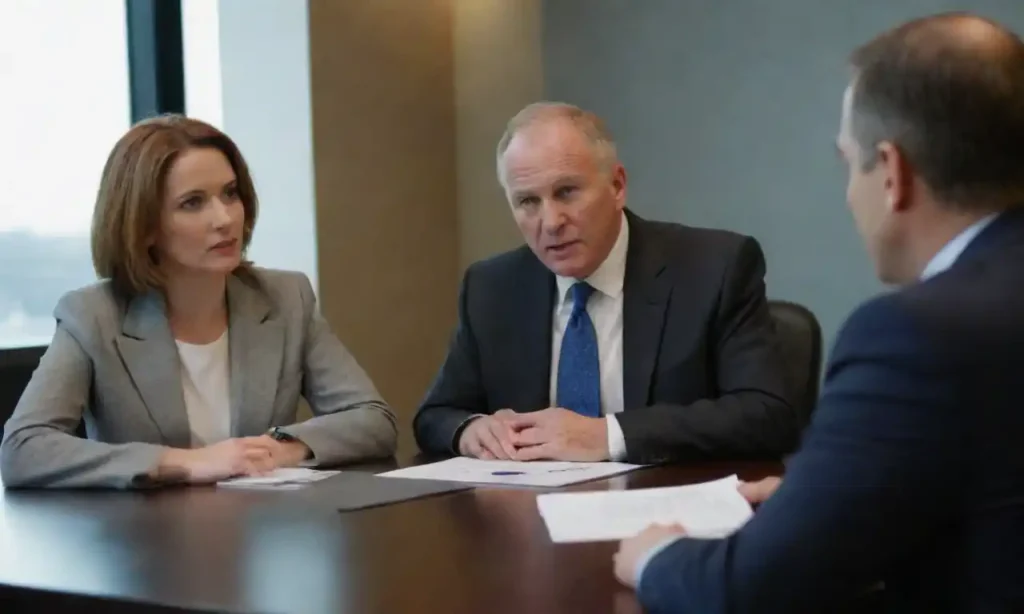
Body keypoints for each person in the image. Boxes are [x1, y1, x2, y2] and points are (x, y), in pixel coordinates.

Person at [614, 12, 1024, 613]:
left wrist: (653, 555)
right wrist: (832, 495)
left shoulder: (916, 336)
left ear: (892, 172)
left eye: (845, 162)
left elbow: (748, 589)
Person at [0, 115, 397, 489]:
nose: (224, 218)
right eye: (193, 202)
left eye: (230, 193)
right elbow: (23, 449)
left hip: (262, 537)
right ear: (144, 226)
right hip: (143, 543)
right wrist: (187, 462)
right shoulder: (92, 316)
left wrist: (275, 450)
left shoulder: (285, 298)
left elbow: (373, 420)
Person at [413, 102, 799, 464]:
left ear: (617, 186)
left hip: (666, 513)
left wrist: (608, 435)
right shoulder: (492, 287)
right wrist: (470, 430)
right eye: (527, 201)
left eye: (566, 192)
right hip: (529, 517)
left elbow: (767, 414)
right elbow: (437, 413)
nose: (550, 222)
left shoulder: (714, 268)